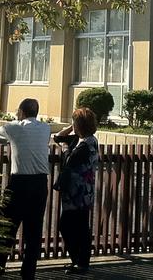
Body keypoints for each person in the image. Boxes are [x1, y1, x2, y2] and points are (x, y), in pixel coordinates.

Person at [0, 98, 51, 280]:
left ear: (21, 112)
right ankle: (28, 273)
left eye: (17, 111)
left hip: (20, 184)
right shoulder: (45, 129)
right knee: (33, 231)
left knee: (5, 227)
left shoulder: (14, 127)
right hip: (40, 185)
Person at [53, 107, 99, 275]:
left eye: (74, 121)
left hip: (78, 194)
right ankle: (79, 261)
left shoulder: (86, 144)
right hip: (79, 192)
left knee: (69, 226)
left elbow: (69, 160)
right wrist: (70, 128)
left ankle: (81, 262)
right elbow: (57, 137)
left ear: (80, 124)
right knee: (76, 226)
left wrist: (65, 146)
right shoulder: (84, 140)